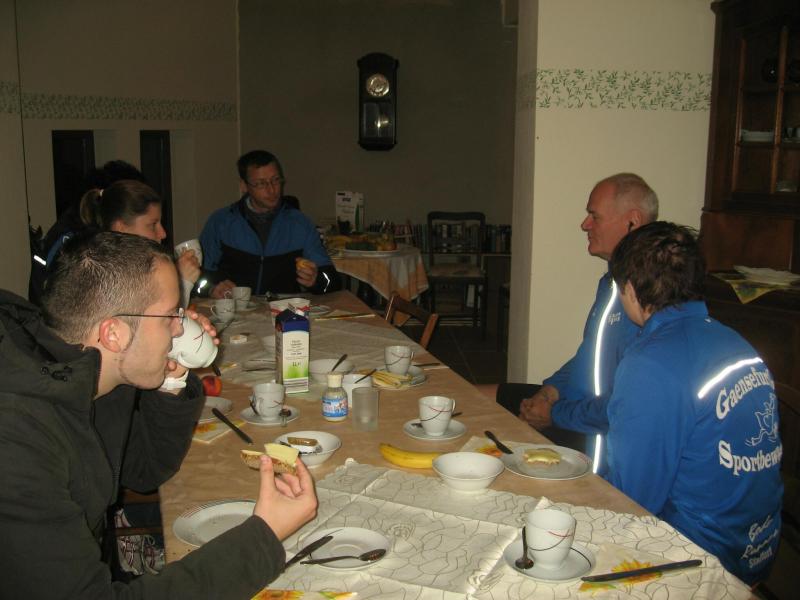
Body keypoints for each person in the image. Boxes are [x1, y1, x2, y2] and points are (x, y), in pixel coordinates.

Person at [0, 232, 318, 598]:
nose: (181, 327)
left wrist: (172, 379)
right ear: (114, 334)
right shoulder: (17, 442)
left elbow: (144, 469)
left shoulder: (87, 372)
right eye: (170, 316)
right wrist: (262, 536)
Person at [606, 221, 782, 586]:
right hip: (759, 547)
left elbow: (632, 501)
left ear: (630, 289)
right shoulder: (735, 342)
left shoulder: (651, 363)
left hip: (702, 561)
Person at [489, 173, 658, 468]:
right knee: (473, 396)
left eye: (594, 216)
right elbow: (589, 354)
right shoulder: (611, 283)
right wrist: (549, 391)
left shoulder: (649, 297)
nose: (585, 225)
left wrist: (554, 413)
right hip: (571, 407)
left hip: (595, 435)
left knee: (492, 436)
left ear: (633, 221)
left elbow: (629, 407)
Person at [200, 150, 339, 298]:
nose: (272, 190)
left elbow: (333, 282)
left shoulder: (300, 224)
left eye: (276, 180)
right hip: (235, 309)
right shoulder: (221, 223)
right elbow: (196, 279)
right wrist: (211, 289)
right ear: (244, 186)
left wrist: (316, 280)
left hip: (284, 309)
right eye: (261, 183)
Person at [79, 179, 202, 306]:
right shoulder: (109, 278)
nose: (163, 234)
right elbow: (163, 317)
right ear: (121, 229)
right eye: (153, 225)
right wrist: (183, 282)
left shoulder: (139, 267)